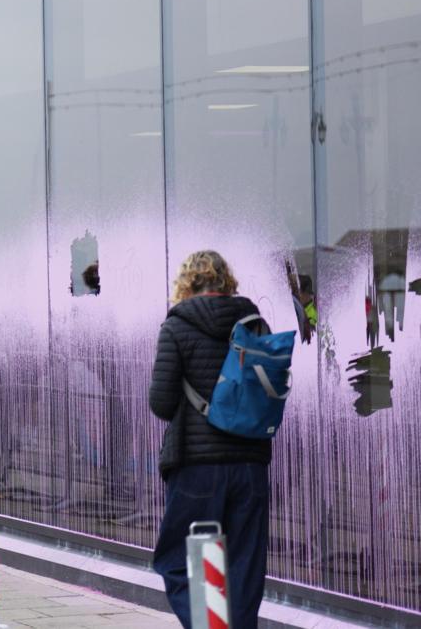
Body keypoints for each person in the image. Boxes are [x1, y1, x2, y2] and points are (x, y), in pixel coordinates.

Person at [148, 250, 271, 628]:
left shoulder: (176, 326)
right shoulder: (255, 323)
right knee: (245, 567)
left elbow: (161, 403)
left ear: (187, 282)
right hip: (250, 463)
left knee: (176, 560)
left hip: (196, 466)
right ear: (226, 280)